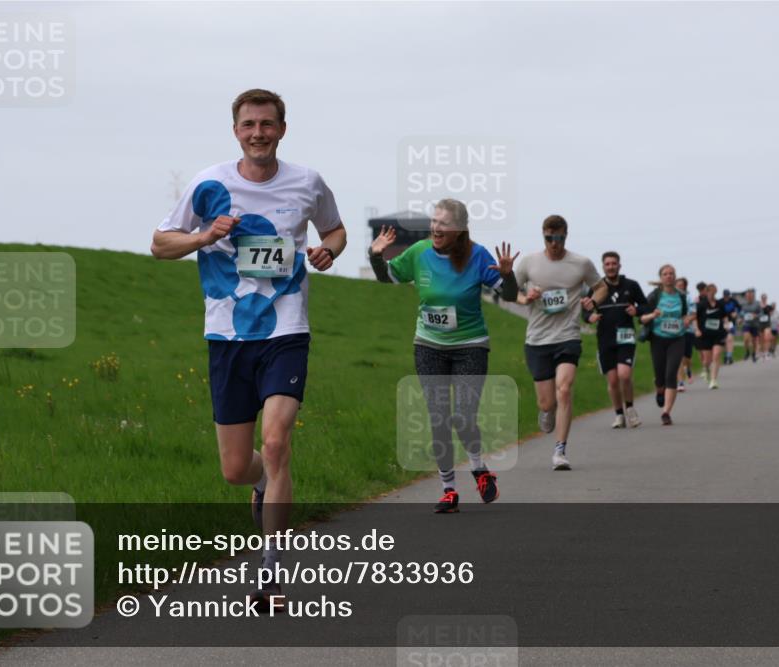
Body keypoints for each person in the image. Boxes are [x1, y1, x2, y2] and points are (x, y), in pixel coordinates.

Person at [152, 88, 347, 608]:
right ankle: (261, 484)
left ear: (282, 128)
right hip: (228, 337)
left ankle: (272, 574)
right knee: (237, 468)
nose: (258, 133)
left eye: (267, 124)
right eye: (248, 125)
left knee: (279, 442)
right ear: (236, 131)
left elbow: (336, 229)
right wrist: (202, 237)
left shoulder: (307, 182)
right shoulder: (208, 183)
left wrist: (327, 250)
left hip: (286, 330)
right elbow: (159, 243)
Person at [369, 198, 518, 512]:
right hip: (428, 346)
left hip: (470, 346)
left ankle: (478, 467)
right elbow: (386, 277)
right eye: (434, 221)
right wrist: (376, 256)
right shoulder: (419, 252)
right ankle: (448, 490)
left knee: (463, 417)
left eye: (444, 223)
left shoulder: (477, 256)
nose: (436, 228)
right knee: (438, 418)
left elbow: (509, 295)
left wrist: (509, 275)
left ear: (460, 229)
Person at [515, 216, 608, 470]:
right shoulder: (529, 263)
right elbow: (510, 290)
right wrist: (526, 297)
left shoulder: (580, 263)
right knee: (547, 403)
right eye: (549, 238)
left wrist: (593, 301)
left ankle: (560, 450)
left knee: (564, 390)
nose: (554, 244)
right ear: (543, 235)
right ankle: (546, 412)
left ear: (566, 236)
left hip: (567, 336)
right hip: (537, 339)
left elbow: (601, 287)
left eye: (559, 238)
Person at [581, 251, 647, 432]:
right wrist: (590, 317)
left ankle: (631, 409)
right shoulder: (596, 289)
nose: (611, 267)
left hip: (626, 338)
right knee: (612, 380)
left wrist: (637, 310)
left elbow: (646, 305)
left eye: (614, 263)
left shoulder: (631, 285)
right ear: (603, 267)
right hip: (605, 339)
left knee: (624, 375)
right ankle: (619, 414)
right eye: (607, 264)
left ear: (619, 265)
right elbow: (585, 311)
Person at [640, 264, 690, 425]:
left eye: (671, 273)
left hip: (677, 338)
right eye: (665, 274)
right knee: (660, 375)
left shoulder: (681, 296)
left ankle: (666, 412)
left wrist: (686, 321)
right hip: (658, 339)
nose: (669, 276)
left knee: (671, 373)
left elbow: (684, 316)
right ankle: (660, 389)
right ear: (661, 277)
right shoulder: (654, 296)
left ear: (675, 277)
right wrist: (653, 315)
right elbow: (642, 318)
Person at [695, 283, 728, 389]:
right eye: (709, 291)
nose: (711, 293)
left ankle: (713, 380)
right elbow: (695, 318)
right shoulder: (701, 305)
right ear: (706, 291)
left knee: (716, 355)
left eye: (714, 291)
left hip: (718, 333)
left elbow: (725, 317)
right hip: (705, 334)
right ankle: (705, 369)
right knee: (707, 360)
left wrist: (727, 324)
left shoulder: (720, 304)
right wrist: (696, 329)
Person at [675, 277, 696, 391]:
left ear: (685, 286)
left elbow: (693, 313)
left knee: (686, 357)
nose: (679, 286)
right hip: (675, 331)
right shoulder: (671, 297)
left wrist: (688, 320)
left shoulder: (689, 298)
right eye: (677, 284)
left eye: (681, 285)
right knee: (678, 357)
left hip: (688, 330)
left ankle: (688, 369)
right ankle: (680, 382)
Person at [739, 289, 762, 363]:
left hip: (755, 325)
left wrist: (756, 315)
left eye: (750, 296)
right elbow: (741, 314)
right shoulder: (744, 304)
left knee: (754, 341)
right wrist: (740, 319)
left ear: (753, 296)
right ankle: (747, 351)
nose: (749, 297)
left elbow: (762, 313)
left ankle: (754, 353)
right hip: (747, 324)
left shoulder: (757, 304)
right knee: (746, 338)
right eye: (747, 296)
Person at [722, 289, 740, 365]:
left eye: (728, 295)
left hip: (731, 322)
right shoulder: (720, 302)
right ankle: (726, 355)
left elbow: (739, 308)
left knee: (730, 338)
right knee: (724, 340)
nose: (726, 297)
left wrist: (736, 313)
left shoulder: (733, 301)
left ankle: (729, 356)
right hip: (722, 323)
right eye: (725, 295)